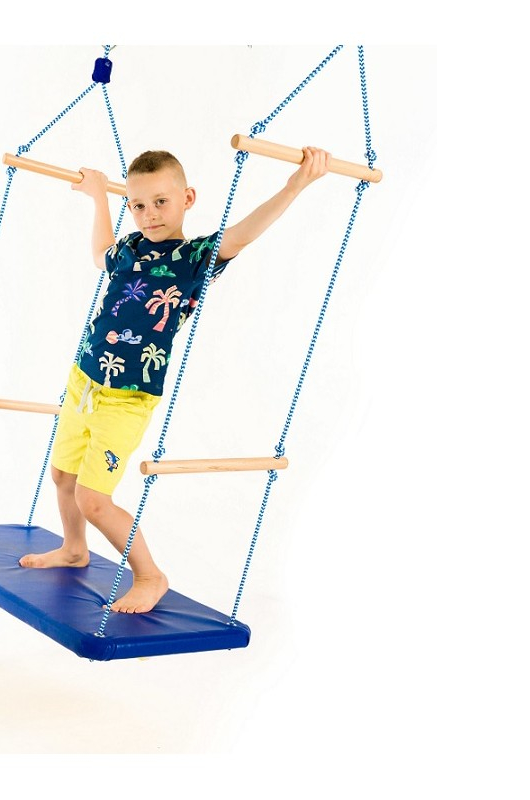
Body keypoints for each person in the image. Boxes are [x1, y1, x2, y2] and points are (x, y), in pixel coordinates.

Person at [19, 146, 331, 613]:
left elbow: (243, 234)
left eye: (161, 202)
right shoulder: (130, 248)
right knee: (63, 475)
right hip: (83, 379)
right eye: (138, 205)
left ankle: (150, 575)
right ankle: (74, 549)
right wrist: (100, 196)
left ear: (187, 198)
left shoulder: (194, 258)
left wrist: (295, 185)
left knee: (93, 498)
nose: (149, 214)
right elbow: (101, 254)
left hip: (127, 397)